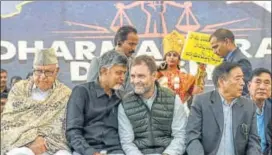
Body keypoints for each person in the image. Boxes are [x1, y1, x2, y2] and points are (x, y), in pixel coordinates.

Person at [1, 48, 72, 155]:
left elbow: (67, 127)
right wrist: (31, 141)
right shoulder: (19, 89)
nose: (43, 77)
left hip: (55, 146)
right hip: (22, 144)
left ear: (57, 71)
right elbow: (9, 123)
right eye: (38, 71)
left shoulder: (65, 94)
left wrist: (45, 142)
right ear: (33, 70)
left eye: (48, 72)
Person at [186, 62, 261, 155]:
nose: (242, 83)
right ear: (222, 81)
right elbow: (192, 137)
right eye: (237, 79)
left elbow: (253, 141)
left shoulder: (249, 106)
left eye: (242, 78)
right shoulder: (201, 102)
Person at [118, 55, 188, 155]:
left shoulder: (172, 98)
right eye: (133, 76)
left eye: (141, 76)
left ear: (154, 76)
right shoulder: (125, 104)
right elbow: (127, 142)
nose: (136, 81)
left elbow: (180, 136)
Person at [66, 51, 128, 155]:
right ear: (104, 71)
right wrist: (91, 152)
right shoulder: (82, 92)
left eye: (124, 73)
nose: (123, 78)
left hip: (116, 151)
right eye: (118, 73)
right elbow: (73, 132)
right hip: (85, 150)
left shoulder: (122, 97)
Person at [157, 30, 206, 103]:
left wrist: (201, 71)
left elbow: (196, 92)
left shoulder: (187, 78)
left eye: (175, 55)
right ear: (165, 58)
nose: (171, 57)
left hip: (180, 110)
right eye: (169, 55)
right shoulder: (157, 74)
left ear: (179, 59)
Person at [87, 25, 139, 91]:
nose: (134, 49)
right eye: (131, 44)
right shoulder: (98, 62)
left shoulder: (136, 64)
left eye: (135, 45)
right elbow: (90, 91)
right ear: (119, 43)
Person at [209, 28, 252, 95]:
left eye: (216, 47)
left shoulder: (241, 61)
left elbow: (243, 90)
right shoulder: (227, 61)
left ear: (226, 41)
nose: (214, 52)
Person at [247, 68, 272, 155]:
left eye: (267, 83)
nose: (262, 87)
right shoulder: (237, 107)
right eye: (258, 82)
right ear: (249, 86)